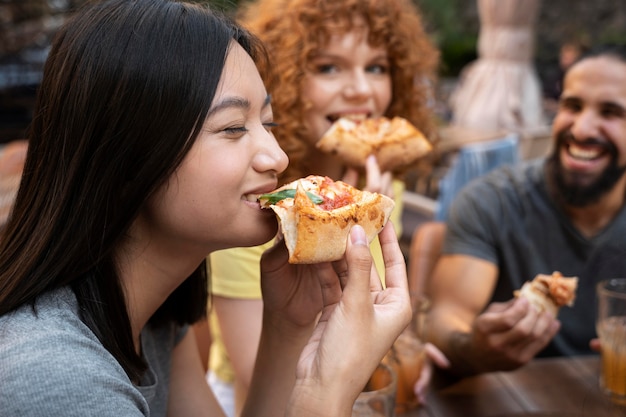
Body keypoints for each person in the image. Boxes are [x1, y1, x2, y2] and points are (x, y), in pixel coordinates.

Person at [0, 1, 414, 416]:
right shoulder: (58, 380)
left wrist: (287, 328)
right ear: (123, 159)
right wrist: (328, 389)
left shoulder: (153, 314)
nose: (278, 158)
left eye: (267, 125)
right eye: (233, 128)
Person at [204, 0, 441, 415]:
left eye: (377, 67)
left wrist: (403, 350)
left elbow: (368, 310)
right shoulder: (253, 203)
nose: (361, 90)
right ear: (284, 81)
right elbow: (259, 381)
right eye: (329, 67)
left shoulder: (381, 192)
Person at [426, 44, 626, 377]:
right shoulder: (493, 201)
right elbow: (444, 321)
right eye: (572, 106)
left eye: (611, 112)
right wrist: (474, 348)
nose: (581, 129)